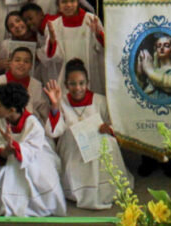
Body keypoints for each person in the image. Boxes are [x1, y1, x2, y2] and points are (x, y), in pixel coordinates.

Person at [44, 59, 130, 209]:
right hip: (73, 148)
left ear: (87, 83)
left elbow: (117, 123)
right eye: (72, 84)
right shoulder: (62, 101)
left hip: (97, 144)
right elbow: (55, 131)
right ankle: (77, 188)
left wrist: (108, 128)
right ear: (66, 85)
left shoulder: (100, 100)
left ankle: (102, 188)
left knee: (107, 141)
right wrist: (54, 106)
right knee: (71, 137)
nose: (78, 88)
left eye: (82, 83)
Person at [0, 82, 67, 216]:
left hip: (33, 157)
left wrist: (15, 146)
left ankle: (33, 206)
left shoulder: (32, 123)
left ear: (11, 110)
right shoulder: (0, 120)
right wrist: (4, 151)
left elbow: (32, 148)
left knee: (33, 172)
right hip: (8, 155)